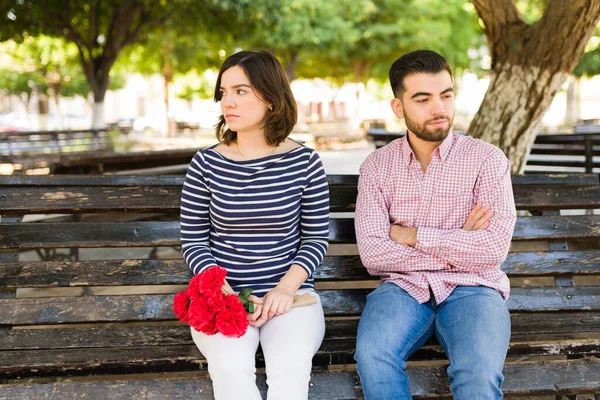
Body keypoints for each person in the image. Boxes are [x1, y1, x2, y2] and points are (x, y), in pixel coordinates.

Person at [354, 49, 517, 399]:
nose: (438, 108)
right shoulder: (377, 167)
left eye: (445, 95)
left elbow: (492, 249)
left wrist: (412, 236)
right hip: (403, 287)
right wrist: (459, 242)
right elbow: (373, 254)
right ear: (398, 107)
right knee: (373, 355)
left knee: (478, 372)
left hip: (475, 287)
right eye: (423, 98)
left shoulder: (486, 160)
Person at [180, 50, 329, 400]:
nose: (228, 101)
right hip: (223, 298)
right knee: (232, 373)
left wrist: (283, 290)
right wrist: (228, 292)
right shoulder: (205, 164)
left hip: (292, 299)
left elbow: (316, 239)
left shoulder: (305, 162)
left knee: (290, 370)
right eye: (223, 92)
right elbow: (194, 242)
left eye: (241, 91)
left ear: (272, 98)